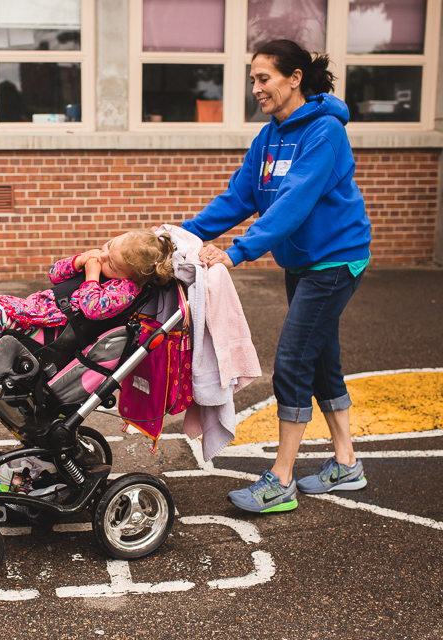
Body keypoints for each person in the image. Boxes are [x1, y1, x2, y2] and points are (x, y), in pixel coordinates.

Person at [181, 39, 372, 514]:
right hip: (303, 262)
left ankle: (281, 478)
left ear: (294, 78)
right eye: (253, 80)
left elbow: (294, 202)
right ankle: (347, 464)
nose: (256, 88)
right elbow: (239, 197)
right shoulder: (269, 136)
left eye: (263, 78)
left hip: (334, 260)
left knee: (291, 361)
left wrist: (238, 252)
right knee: (322, 360)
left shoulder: (325, 133)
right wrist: (180, 236)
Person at [0, 230, 176, 400]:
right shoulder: (100, 263)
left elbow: (93, 308)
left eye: (111, 264)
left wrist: (92, 276)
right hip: (39, 311)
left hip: (51, 330)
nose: (102, 256)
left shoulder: (125, 291)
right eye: (107, 246)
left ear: (131, 275)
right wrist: (79, 261)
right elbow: (55, 274)